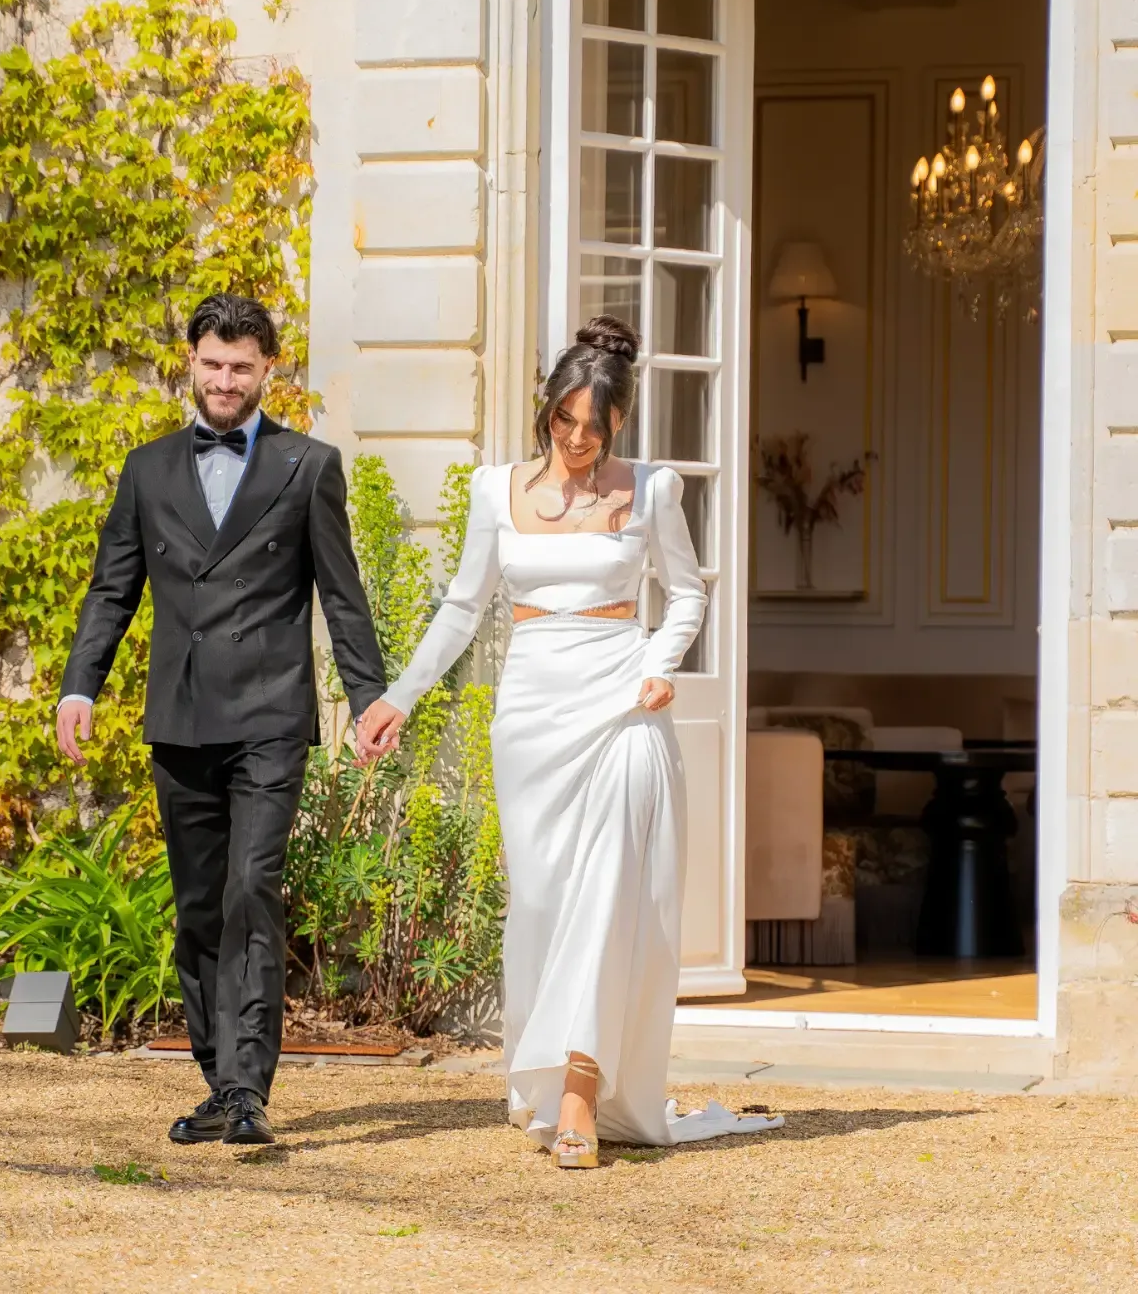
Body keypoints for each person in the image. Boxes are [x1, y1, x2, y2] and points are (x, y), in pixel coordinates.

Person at [356, 316, 783, 1168]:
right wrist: (398, 696)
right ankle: (543, 1082)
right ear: (546, 410)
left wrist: (663, 664)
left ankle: (583, 1097)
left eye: (594, 426)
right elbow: (460, 608)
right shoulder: (491, 490)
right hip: (531, 710)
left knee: (611, 893)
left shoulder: (653, 490)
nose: (578, 440)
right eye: (564, 421)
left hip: (624, 702)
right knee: (545, 901)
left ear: (618, 422)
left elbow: (689, 595)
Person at [56, 293, 386, 1147]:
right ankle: (218, 1080)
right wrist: (78, 685)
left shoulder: (307, 466)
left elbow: (342, 598)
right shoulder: (148, 468)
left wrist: (367, 696)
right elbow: (111, 589)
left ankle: (247, 1090)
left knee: (252, 890)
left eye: (242, 367)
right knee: (201, 904)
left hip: (271, 715)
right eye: (213, 364)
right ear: (190, 363)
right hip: (182, 715)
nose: (226, 380)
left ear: (268, 370)